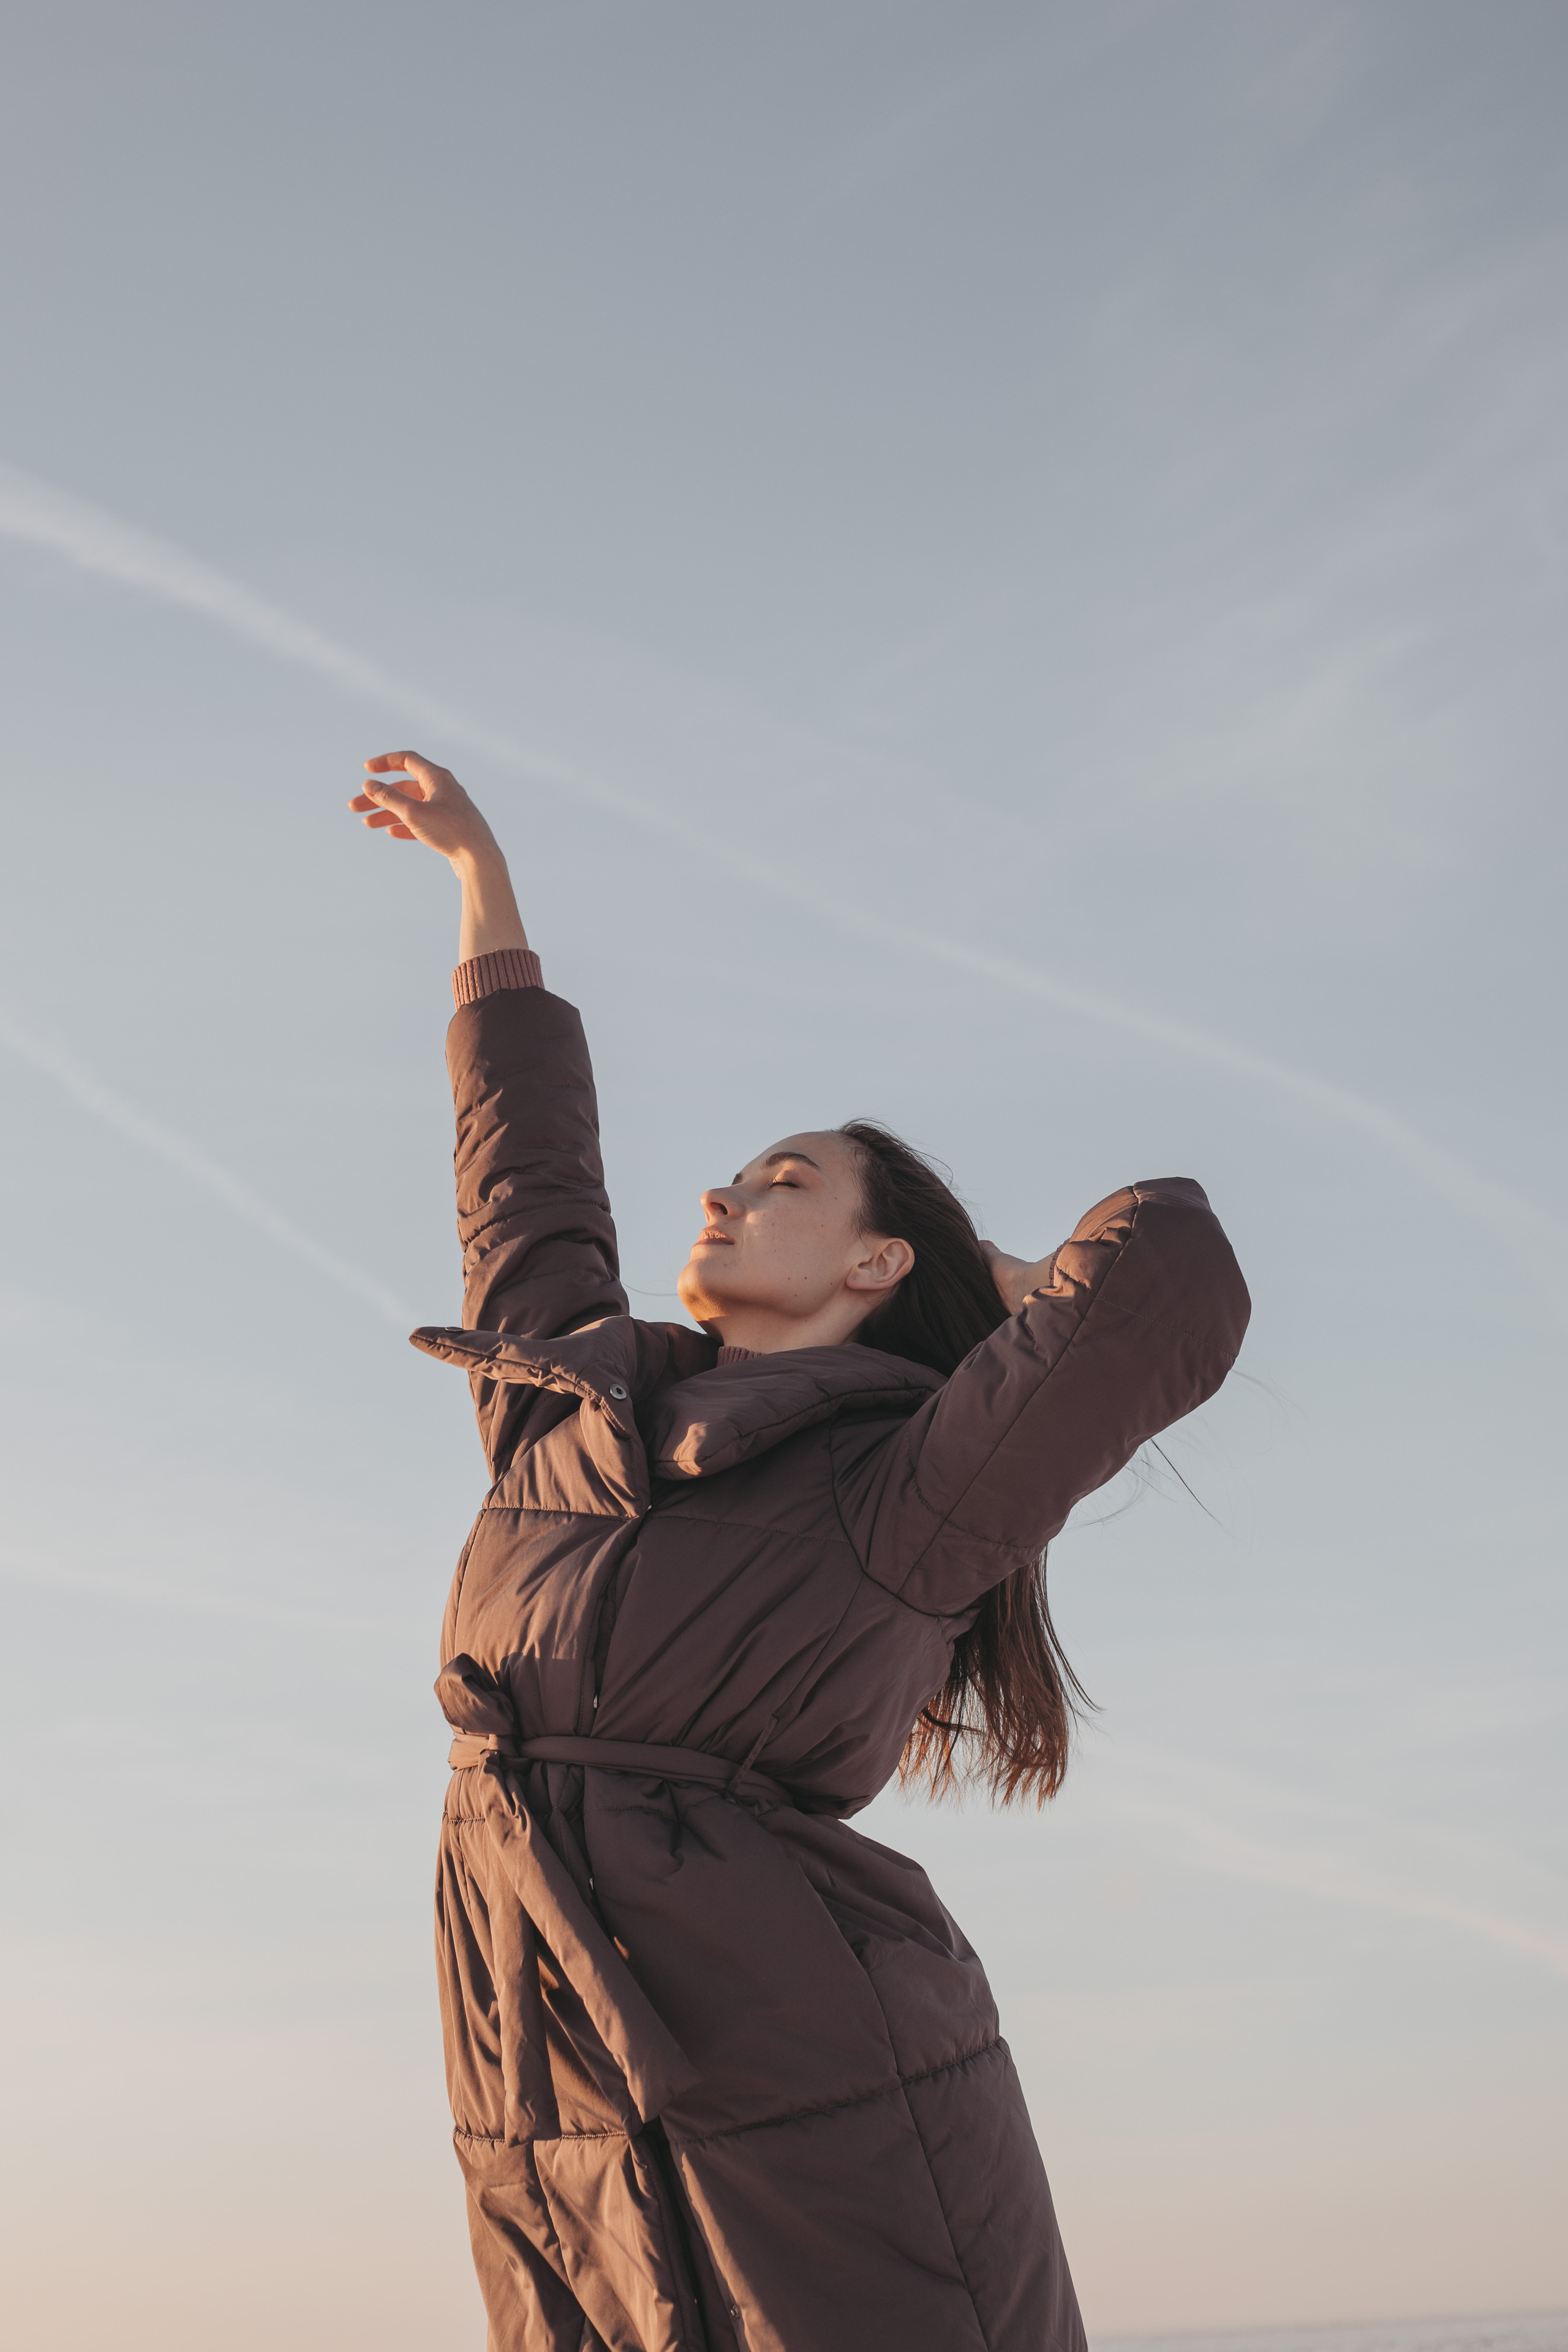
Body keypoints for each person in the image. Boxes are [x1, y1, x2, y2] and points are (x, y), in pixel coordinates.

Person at [349, 751, 1251, 2352]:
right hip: (525, 2016)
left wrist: (1001, 1272)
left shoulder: (918, 1475)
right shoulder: (562, 1399)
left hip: (817, 2076)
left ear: (879, 1257)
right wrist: (477, 870)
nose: (726, 1188)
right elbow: (524, 1169)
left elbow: (1172, 1277)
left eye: (785, 1182)